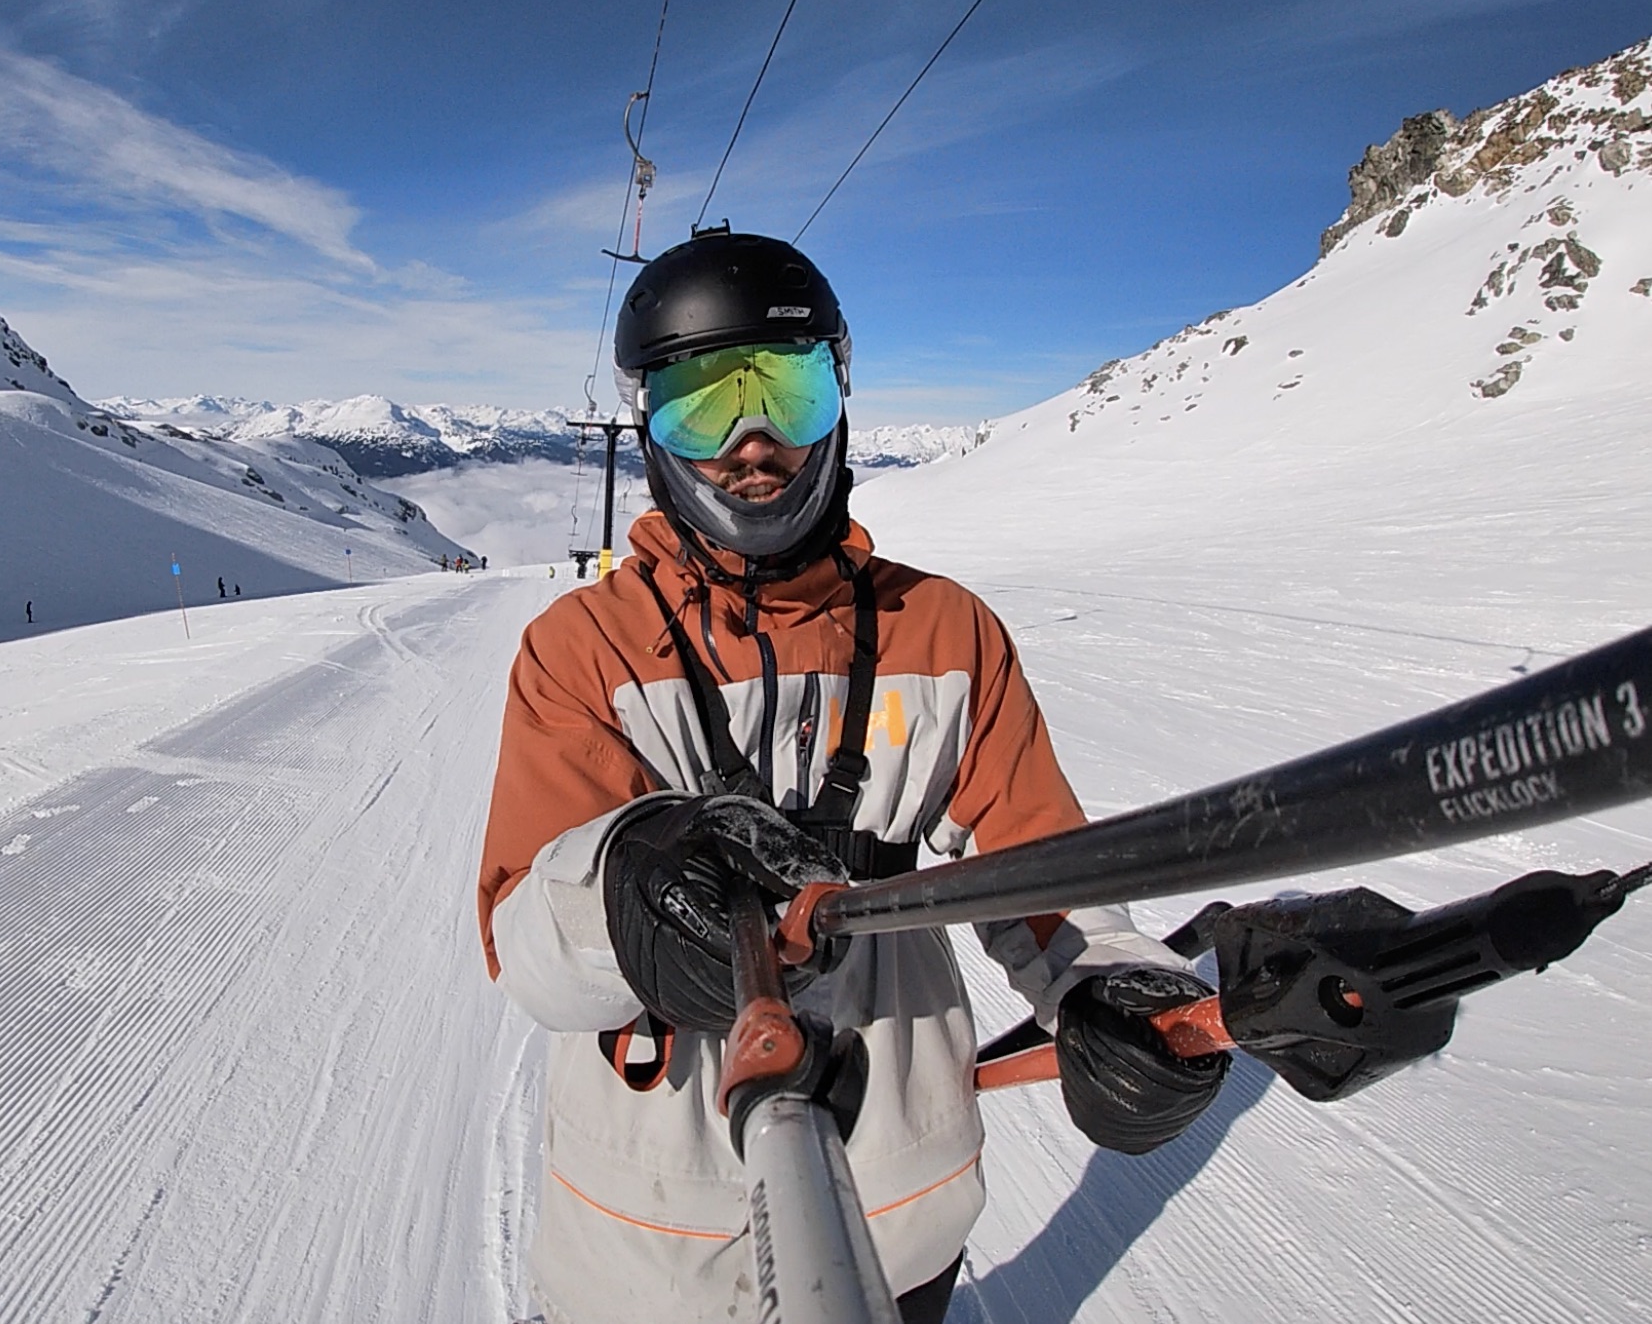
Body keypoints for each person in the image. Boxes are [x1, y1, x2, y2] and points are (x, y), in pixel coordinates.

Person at [477, 230, 1227, 1324]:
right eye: (700, 402)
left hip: (896, 1201)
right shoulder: (584, 646)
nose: (750, 442)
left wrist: (1107, 984)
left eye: (785, 389)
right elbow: (526, 948)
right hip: (644, 1238)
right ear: (651, 430)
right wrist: (622, 898)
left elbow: (1039, 866)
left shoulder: (945, 630)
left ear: (838, 393)